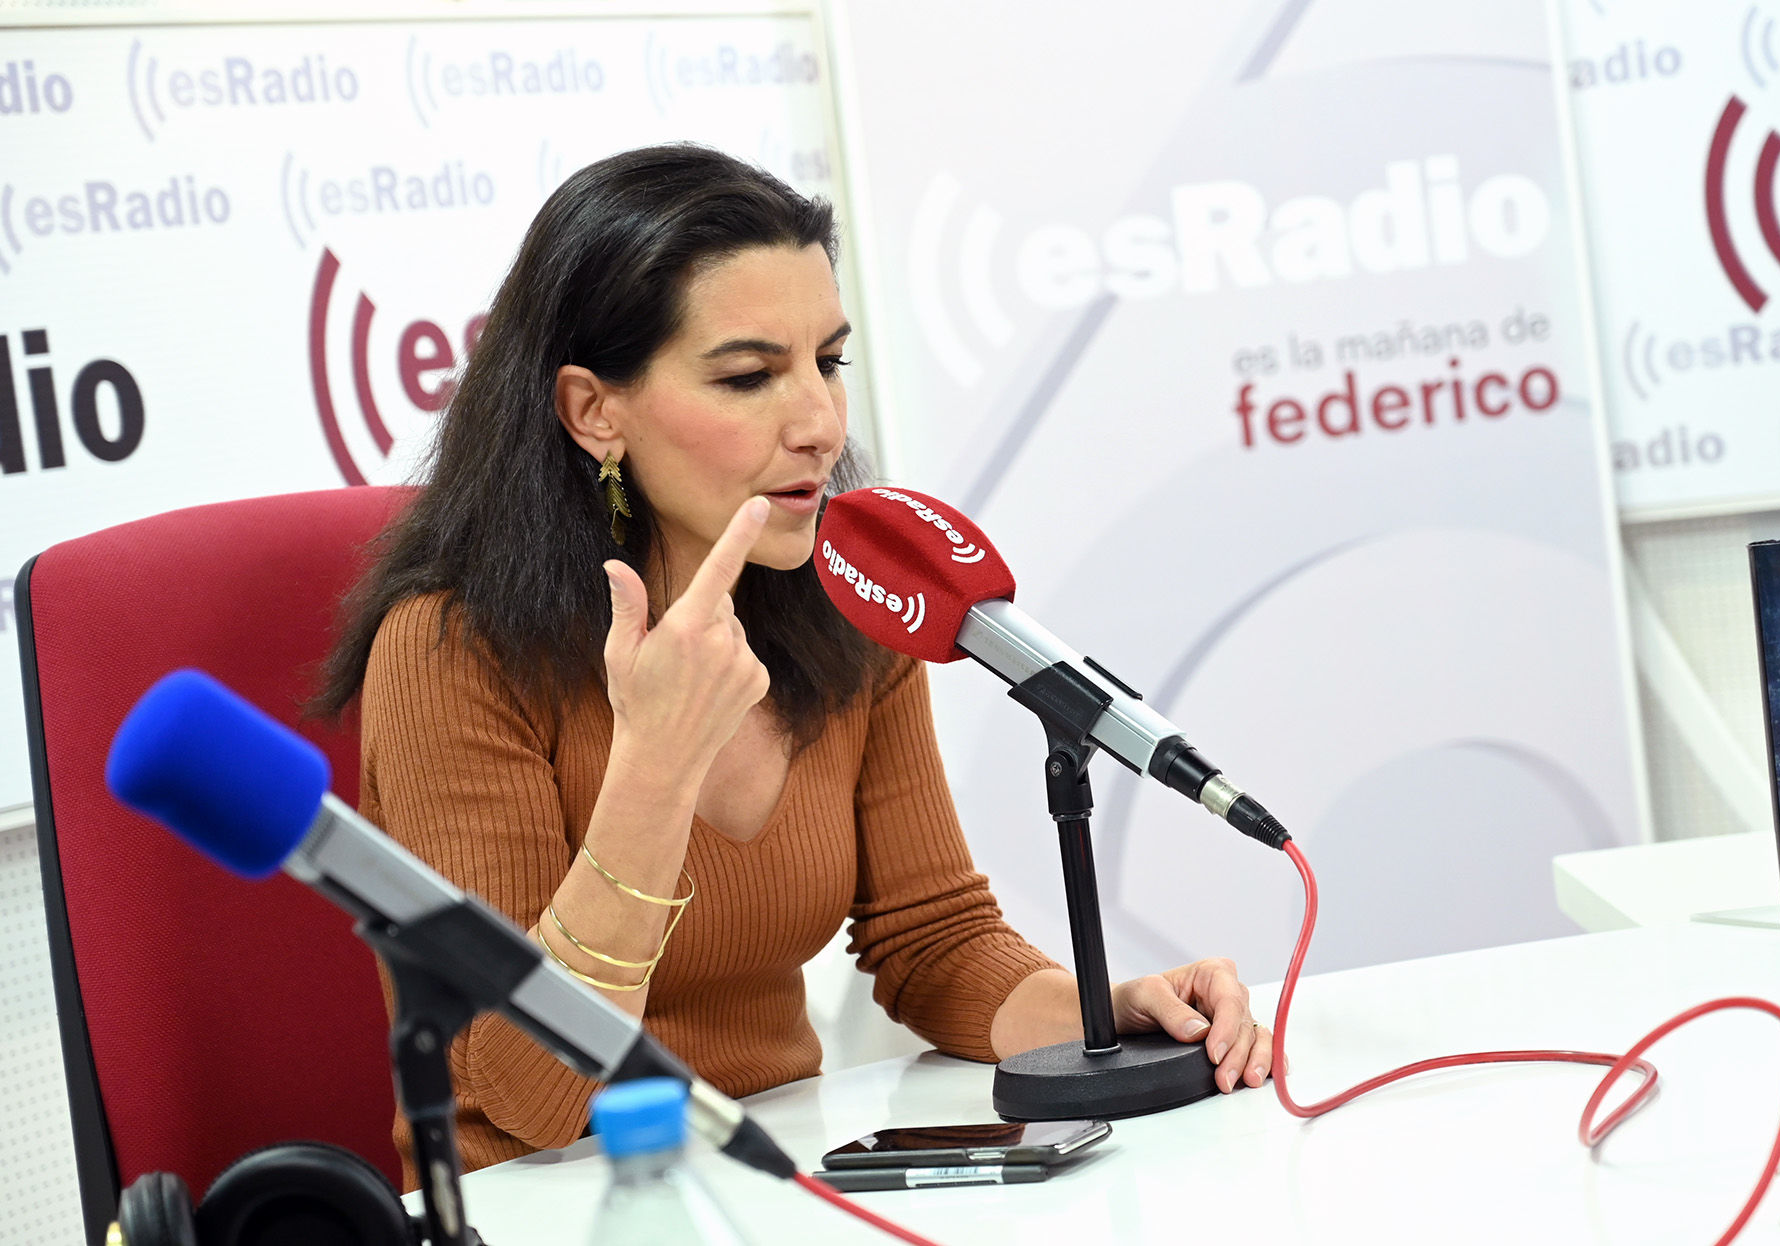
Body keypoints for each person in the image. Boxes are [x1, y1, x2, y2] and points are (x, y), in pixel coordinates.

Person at [315, 144, 1275, 1187]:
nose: (818, 423)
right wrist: (655, 769)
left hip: (773, 1178)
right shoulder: (450, 649)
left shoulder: (852, 605)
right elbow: (533, 1094)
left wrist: (1103, 1013)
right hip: (539, 1202)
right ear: (594, 411)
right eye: (748, 376)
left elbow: (932, 939)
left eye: (829, 362)